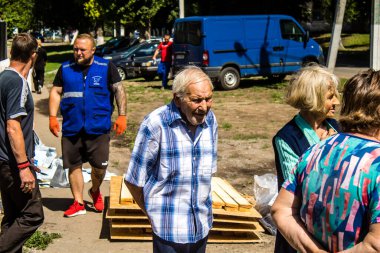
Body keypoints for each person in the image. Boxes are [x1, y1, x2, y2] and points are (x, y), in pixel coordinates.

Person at [271, 69, 380, 252]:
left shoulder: (313, 151)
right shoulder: (376, 163)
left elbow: (281, 209)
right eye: (330, 97)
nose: (335, 101)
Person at [125, 66, 218, 253]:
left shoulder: (210, 121)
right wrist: (153, 214)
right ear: (178, 99)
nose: (204, 106)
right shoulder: (155, 124)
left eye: (208, 99)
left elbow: (208, 174)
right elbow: (134, 181)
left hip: (201, 225)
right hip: (167, 229)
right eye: (197, 100)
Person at [49, 33, 127, 217]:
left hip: (98, 127)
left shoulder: (106, 67)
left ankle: (95, 190)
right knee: (73, 165)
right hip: (72, 127)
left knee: (100, 167)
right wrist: (52, 116)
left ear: (93, 50)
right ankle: (78, 202)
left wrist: (122, 115)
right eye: (75, 49)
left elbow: (119, 90)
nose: (78, 53)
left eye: (82, 49)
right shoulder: (65, 68)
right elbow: (55, 91)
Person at [272, 64, 340, 253]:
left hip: (332, 230)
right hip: (302, 233)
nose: (337, 102)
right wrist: (324, 152)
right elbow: (301, 189)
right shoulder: (287, 138)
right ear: (313, 99)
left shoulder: (335, 127)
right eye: (330, 97)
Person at [0, 33, 44, 252]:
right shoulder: (17, 82)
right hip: (12, 164)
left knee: (12, 217)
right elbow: (12, 126)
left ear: (11, 53)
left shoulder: (2, 79)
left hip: (4, 162)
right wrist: (24, 166)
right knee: (32, 215)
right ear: (33, 56)